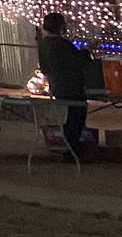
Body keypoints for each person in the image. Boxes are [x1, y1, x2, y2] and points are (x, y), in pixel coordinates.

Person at [36, 12, 91, 157]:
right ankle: (72, 150)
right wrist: (86, 53)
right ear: (61, 26)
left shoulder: (44, 44)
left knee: (67, 118)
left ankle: (69, 149)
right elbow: (78, 61)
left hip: (56, 86)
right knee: (76, 118)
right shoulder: (63, 44)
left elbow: (44, 68)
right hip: (71, 87)